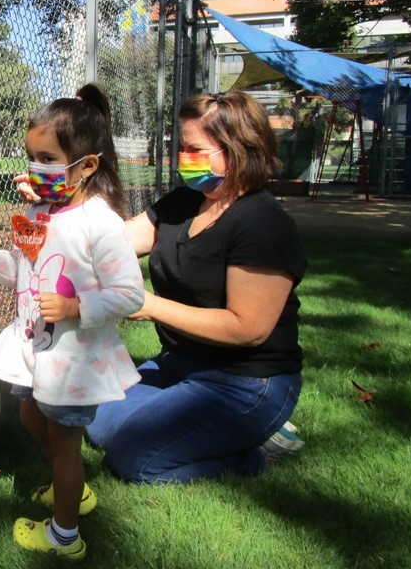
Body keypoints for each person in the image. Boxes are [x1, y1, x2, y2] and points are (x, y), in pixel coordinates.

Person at [0, 83, 145, 561]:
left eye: (48, 158)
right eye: (31, 156)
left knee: (64, 441)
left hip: (73, 360)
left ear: (87, 165)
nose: (35, 169)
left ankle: (64, 536)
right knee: (33, 417)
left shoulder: (100, 223)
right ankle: (70, 488)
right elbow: (20, 268)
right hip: (38, 349)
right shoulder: (38, 212)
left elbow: (131, 293)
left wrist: (79, 308)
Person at [66, 90, 306, 484]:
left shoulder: (264, 224)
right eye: (182, 147)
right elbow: (119, 240)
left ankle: (257, 450)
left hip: (246, 382)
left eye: (195, 149)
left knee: (134, 458)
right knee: (96, 422)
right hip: (179, 364)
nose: (184, 158)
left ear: (237, 150)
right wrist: (59, 210)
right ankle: (197, 423)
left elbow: (248, 328)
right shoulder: (186, 201)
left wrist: (150, 306)